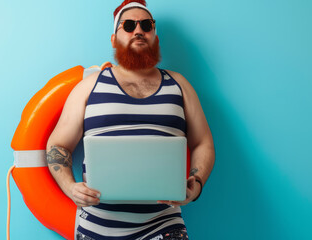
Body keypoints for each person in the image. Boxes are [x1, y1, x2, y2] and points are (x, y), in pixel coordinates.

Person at [46, 0, 215, 239]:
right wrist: (69, 187)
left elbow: (203, 142)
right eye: (128, 25)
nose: (138, 31)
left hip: (164, 225)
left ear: (155, 37)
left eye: (146, 25)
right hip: (96, 226)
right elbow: (58, 146)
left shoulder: (179, 85)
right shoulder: (88, 88)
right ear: (114, 39)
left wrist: (195, 184)